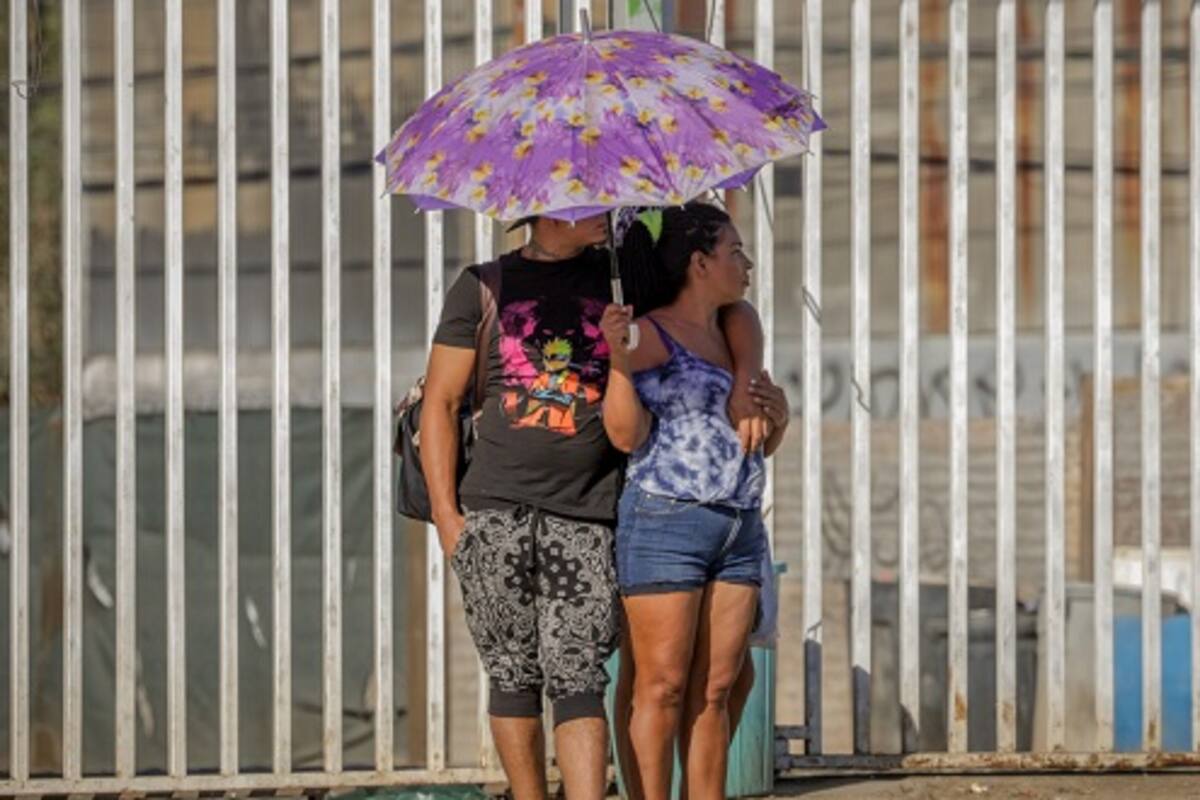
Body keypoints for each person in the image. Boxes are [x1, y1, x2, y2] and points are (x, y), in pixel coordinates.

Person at [420, 211, 770, 800]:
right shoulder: (483, 285)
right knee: (513, 678)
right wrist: (447, 516)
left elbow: (726, 305)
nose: (604, 213)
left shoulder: (624, 276)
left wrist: (746, 378)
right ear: (547, 211)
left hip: (589, 508)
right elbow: (440, 401)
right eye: (586, 205)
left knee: (581, 677)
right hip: (495, 505)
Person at [601, 202, 790, 800]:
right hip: (667, 521)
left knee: (718, 689)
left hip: (738, 524)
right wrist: (618, 361)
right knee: (661, 687)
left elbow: (755, 438)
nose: (748, 262)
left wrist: (776, 417)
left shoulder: (735, 327)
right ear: (700, 262)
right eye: (736, 252)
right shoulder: (650, 333)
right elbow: (625, 435)